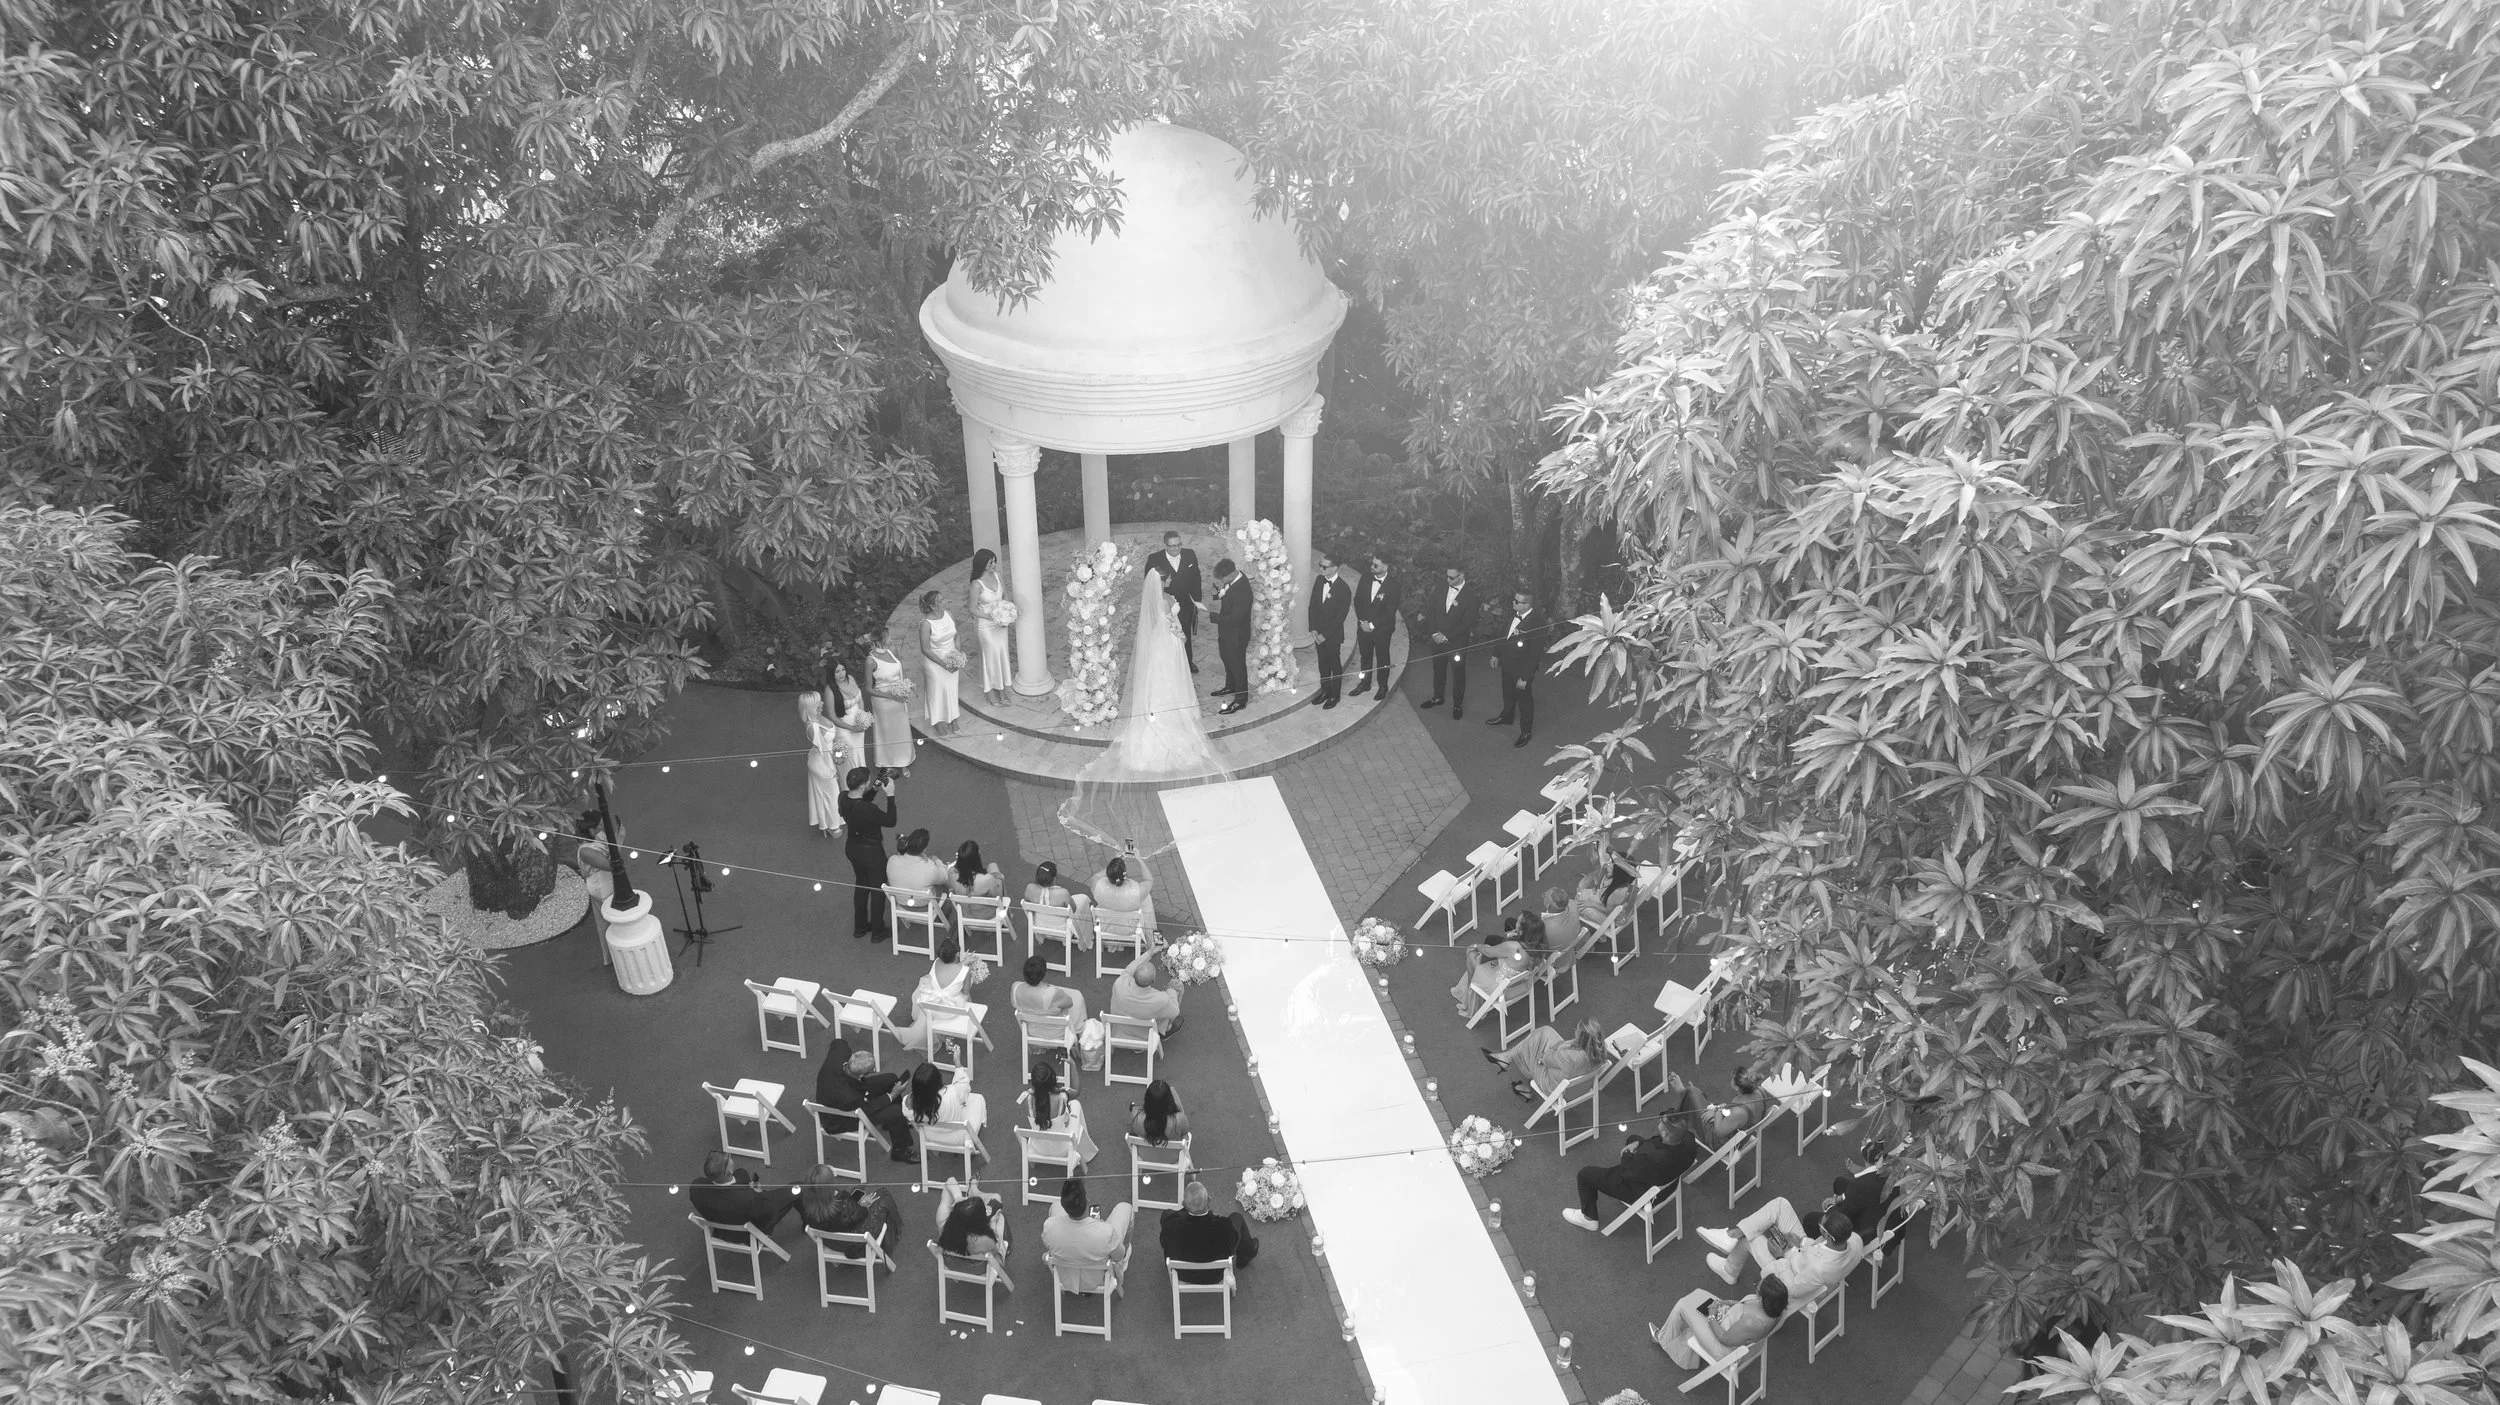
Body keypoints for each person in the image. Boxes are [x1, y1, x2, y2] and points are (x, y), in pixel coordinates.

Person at [1563, 1119, 1700, 1231]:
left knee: (1585, 1175)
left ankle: (1588, 1218)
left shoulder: (1648, 1158)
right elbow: (1651, 1147)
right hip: (1669, 1185)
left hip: (1642, 1192)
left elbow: (1627, 1173)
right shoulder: (1688, 1139)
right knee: (1633, 1138)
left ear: (1664, 1133)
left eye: (1662, 1122)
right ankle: (1633, 1147)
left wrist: (1627, 1155)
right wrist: (1637, 1143)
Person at [1700, 1201, 1861, 1295]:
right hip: (1801, 1252)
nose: (1819, 1221)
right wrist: (1802, 1243)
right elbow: (1820, 1251)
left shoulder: (1820, 1268)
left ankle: (1729, 1270)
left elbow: (1793, 1289)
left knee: (1749, 1238)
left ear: (1827, 1235)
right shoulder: (1854, 1239)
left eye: (1821, 1224)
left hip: (1789, 1271)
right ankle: (1731, 1234)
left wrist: (1780, 1256)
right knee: (1781, 1204)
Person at [1653, 1276, 1787, 1370]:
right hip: (1728, 1321)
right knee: (1699, 1294)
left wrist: (1711, 1316)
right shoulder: (1777, 1310)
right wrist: (1728, 1302)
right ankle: (1685, 1352)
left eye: (1758, 1288)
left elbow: (1724, 1339)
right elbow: (1744, 1305)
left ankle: (1663, 1338)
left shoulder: (1752, 1323)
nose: (1756, 1287)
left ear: (1765, 1300)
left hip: (1722, 1347)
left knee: (1682, 1305)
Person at [815, 1037, 913, 1160]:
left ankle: (891, 1124)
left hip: (851, 1087)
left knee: (891, 1079)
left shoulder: (840, 1052)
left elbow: (838, 1042)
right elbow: (867, 1109)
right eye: (871, 1071)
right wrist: (892, 1095)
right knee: (896, 1111)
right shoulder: (848, 1097)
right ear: (861, 1075)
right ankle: (900, 1151)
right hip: (841, 1119)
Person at [1040, 1176, 1135, 1292]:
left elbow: (1047, 1245)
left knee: (1054, 1206)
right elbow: (1119, 1255)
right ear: (1087, 1200)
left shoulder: (1049, 1226)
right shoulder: (1106, 1232)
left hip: (1066, 1277)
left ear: (1064, 1206)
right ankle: (1123, 1263)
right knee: (1126, 1207)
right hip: (1098, 1278)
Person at [1485, 587, 1550, 748]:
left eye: (1517, 602)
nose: (1513, 603)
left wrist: (1525, 677)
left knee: (1524, 700)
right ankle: (1506, 716)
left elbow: (1534, 654)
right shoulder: (1513, 614)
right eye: (1514, 600)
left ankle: (1526, 731)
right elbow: (1503, 635)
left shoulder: (1538, 623)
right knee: (1507, 692)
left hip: (1522, 670)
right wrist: (1496, 654)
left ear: (1527, 605)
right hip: (1507, 664)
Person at [838, 767, 897, 941]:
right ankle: (878, 931)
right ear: (863, 785)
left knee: (862, 884)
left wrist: (877, 785)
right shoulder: (868, 809)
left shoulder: (843, 797)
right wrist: (891, 796)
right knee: (878, 889)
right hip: (871, 852)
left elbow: (862, 800)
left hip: (853, 848)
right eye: (869, 781)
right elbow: (890, 821)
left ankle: (860, 927)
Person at [1160, 1179, 1260, 1281]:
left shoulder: (1170, 1224)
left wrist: (1187, 1208)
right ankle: (1246, 1255)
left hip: (1181, 1274)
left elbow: (1163, 1242)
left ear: (1183, 1205)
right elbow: (1233, 1245)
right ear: (1209, 1199)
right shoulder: (1223, 1226)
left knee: (1167, 1213)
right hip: (1215, 1275)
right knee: (1237, 1217)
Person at [1417, 563, 1481, 719]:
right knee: (1438, 669)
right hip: (1436, 639)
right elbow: (1431, 610)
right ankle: (1438, 697)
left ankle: (1457, 704)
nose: (1448, 580)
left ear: (1462, 575)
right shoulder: (1441, 586)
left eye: (1452, 577)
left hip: (1456, 642)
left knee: (1458, 673)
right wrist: (1433, 633)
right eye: (1447, 576)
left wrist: (1446, 636)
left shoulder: (1471, 596)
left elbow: (1467, 623)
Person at [686, 1151, 800, 1236]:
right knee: (799, 1187)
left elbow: (740, 1177)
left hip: (721, 1231)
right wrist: (760, 1194)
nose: (729, 1156)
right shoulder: (751, 1200)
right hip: (747, 1233)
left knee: (741, 1173)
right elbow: (768, 1214)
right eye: (729, 1157)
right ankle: (810, 1225)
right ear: (729, 1171)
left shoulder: (696, 1187)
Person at [1492, 1018, 1607, 1102]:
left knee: (1533, 1047)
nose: (1575, 1031)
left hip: (1555, 1089)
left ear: (1582, 1038)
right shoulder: (1600, 1052)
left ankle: (1510, 1061)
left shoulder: (1569, 1057)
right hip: (1578, 1089)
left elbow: (1546, 1058)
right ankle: (1508, 1057)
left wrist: (1553, 1049)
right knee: (1546, 1031)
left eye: (1576, 1030)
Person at [797, 1163, 900, 1256]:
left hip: (833, 1243)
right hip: (855, 1240)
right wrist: (863, 1204)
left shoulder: (805, 1205)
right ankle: (892, 1233)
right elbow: (862, 1213)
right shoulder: (843, 1205)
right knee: (883, 1195)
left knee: (856, 1192)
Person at [1807, 1140, 1899, 1239]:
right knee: (1840, 1182)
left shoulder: (1857, 1186)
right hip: (1886, 1218)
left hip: (1864, 1232)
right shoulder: (1897, 1170)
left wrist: (1831, 1206)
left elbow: (1842, 1216)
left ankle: (1822, 1246)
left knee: (1809, 1219)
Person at [1658, 1066, 1769, 1148]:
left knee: (1692, 1092)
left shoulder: (1739, 1112)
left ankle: (1683, 1095)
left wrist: (1717, 1111)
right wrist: (1720, 1109)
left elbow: (1718, 1132)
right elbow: (1731, 1113)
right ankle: (1686, 1097)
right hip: (1734, 1126)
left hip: (1721, 1141)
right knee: (1696, 1096)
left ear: (1736, 1087)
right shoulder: (1760, 1091)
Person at [933, 1177, 1014, 1289]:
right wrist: (992, 1222)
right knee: (998, 1210)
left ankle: (974, 1191)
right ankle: (975, 1191)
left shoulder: (942, 1220)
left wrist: (958, 1198)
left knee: (995, 1202)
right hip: (978, 1268)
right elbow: (995, 1254)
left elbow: (949, 1181)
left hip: (954, 1265)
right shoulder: (985, 1240)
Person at [1023, 1054, 1099, 1166]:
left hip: (1038, 1148)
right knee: (1076, 1105)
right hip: (1063, 1149)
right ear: (1053, 1079)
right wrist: (1072, 1064)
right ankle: (1087, 1153)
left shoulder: (1027, 1099)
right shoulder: (1062, 1096)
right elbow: (1076, 1090)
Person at [1144, 530, 1203, 673]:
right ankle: (1169, 665)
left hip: (1185, 602)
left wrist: (1197, 600)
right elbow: (1149, 584)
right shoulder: (1154, 559)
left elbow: (1196, 577)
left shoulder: (1190, 554)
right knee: (1168, 636)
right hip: (1165, 604)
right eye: (1172, 546)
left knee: (1185, 633)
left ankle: (1188, 662)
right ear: (1165, 546)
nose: (1176, 548)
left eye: (1178, 545)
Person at [1451, 924, 1536, 1018]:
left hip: (1499, 989)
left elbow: (1489, 952)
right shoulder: (1536, 951)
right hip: (1517, 985)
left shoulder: (1512, 946)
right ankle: (1469, 990)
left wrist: (1475, 946)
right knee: (1485, 951)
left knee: (1472, 955)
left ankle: (1471, 998)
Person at [863, 626, 915, 773]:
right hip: (883, 701)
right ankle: (888, 762)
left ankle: (903, 760)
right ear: (881, 641)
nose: (891, 639)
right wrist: (890, 696)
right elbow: (868, 688)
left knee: (901, 729)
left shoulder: (893, 650)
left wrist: (908, 686)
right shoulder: (870, 661)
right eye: (888, 637)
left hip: (899, 697)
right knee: (886, 732)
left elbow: (901, 671)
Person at [882, 828, 951, 937]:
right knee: (943, 886)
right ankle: (943, 913)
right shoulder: (929, 868)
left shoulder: (892, 860)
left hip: (902, 904)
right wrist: (937, 861)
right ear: (924, 848)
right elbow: (944, 877)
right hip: (924, 905)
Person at [968, 547, 1014, 704]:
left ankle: (1001, 690)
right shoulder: (976, 584)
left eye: (994, 561)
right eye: (990, 562)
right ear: (982, 564)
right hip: (986, 626)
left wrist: (1008, 612)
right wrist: (992, 617)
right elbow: (972, 608)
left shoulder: (998, 576)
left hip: (1001, 624)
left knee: (1002, 655)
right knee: (990, 658)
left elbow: (1005, 596)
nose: (994, 564)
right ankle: (990, 692)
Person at [1350, 552, 1399, 698]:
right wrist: (1362, 621)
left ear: (1386, 566)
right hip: (1363, 626)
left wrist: (1371, 625)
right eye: (1372, 563)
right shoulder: (1365, 578)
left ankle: (1383, 686)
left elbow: (1390, 612)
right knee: (1365, 656)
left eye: (1375, 565)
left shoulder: (1394, 586)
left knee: (1383, 658)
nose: (1372, 567)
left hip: (1382, 630)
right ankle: (1365, 683)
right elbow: (1357, 601)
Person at [905, 1059, 987, 1145]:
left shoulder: (910, 1102)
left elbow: (909, 1115)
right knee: (978, 1098)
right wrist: (957, 1063)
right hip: (960, 1136)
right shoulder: (953, 1093)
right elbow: (964, 1084)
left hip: (932, 1136)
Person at [1308, 548, 1351, 708]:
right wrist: (1313, 628)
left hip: (1332, 636)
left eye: (1324, 567)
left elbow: (1340, 617)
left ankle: (1335, 695)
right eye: (1321, 565)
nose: (1321, 569)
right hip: (1317, 633)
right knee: (1322, 664)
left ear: (1335, 568)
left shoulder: (1344, 589)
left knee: (1334, 665)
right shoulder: (1320, 580)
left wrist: (1325, 635)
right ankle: (1325, 691)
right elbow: (1312, 605)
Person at [1208, 558, 1253, 713]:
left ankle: (1241, 699)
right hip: (1227, 632)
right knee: (1226, 659)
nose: (1222, 581)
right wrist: (1217, 595)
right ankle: (1230, 686)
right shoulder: (1233, 581)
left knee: (1237, 665)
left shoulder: (1243, 591)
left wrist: (1215, 618)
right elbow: (1227, 596)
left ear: (1232, 573)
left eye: (1223, 578)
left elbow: (1235, 618)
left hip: (1237, 635)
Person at [918, 590, 963, 737]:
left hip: (951, 657)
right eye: (941, 601)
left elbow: (956, 634)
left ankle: (953, 719)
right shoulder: (926, 624)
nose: (945, 602)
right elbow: (925, 649)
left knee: (951, 690)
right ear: (932, 606)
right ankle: (939, 723)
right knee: (937, 692)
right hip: (935, 661)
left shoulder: (948, 614)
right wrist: (944, 664)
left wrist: (957, 654)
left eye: (943, 599)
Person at [1109, 950, 1184, 1037]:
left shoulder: (1120, 983)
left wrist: (1150, 952)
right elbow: (1175, 1011)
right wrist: (1171, 990)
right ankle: (1166, 1029)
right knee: (1178, 987)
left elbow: (1130, 968)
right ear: (1153, 981)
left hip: (1119, 1031)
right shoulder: (1161, 999)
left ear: (1134, 975)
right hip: (1144, 1035)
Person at [1012, 953, 1088, 1029]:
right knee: (1077, 997)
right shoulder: (1052, 993)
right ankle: (1080, 1029)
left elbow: (1015, 1004)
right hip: (1054, 1033)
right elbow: (1070, 1003)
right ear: (1044, 973)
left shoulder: (1015, 987)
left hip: (1031, 1030)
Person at [1089, 853, 1156, 940]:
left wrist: (1113, 867)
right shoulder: (1136, 892)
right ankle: (1151, 935)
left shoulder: (1096, 884)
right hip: (1130, 928)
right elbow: (1149, 880)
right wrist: (1139, 859)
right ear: (1124, 874)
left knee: (1145, 899)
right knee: (1147, 899)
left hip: (1107, 926)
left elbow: (1097, 876)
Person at [1128, 1078, 1189, 1145]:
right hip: (1172, 1154)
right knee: (1180, 1110)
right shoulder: (1179, 1119)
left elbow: (1133, 1132)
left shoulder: (1135, 1115)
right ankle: (1170, 1090)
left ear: (1147, 1099)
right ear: (1169, 1101)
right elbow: (1185, 1133)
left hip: (1144, 1154)